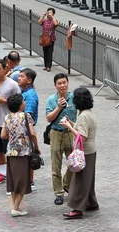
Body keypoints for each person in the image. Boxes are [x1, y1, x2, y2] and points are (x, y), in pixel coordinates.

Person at [59, 87, 98, 219]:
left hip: (84, 151)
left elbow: (82, 136)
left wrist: (68, 127)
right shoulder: (89, 113)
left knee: (79, 181)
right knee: (88, 179)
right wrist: (71, 122)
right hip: (91, 150)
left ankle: (77, 208)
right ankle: (91, 202)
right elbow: (82, 128)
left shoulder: (83, 116)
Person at [1, 93, 38, 217]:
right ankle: (16, 207)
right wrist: (36, 146)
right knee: (23, 180)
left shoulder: (7, 117)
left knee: (13, 180)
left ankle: (15, 206)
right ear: (20, 105)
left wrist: (12, 136)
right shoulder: (26, 116)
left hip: (11, 151)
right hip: (23, 152)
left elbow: (2, 135)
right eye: (23, 101)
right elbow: (32, 134)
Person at [45, 73, 77, 205]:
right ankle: (58, 193)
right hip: (56, 133)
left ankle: (67, 183)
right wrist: (58, 107)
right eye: (59, 83)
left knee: (74, 163)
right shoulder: (51, 100)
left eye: (64, 82)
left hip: (70, 132)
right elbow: (48, 118)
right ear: (55, 85)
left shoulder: (74, 98)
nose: (62, 85)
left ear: (68, 83)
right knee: (55, 165)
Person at [17, 68, 39, 191]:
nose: (19, 78)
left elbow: (28, 116)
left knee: (28, 157)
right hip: (23, 131)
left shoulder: (30, 96)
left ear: (29, 80)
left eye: (22, 76)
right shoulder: (24, 92)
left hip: (25, 132)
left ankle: (29, 182)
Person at [38, 7, 58, 72]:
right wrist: (43, 15)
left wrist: (52, 17)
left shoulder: (54, 20)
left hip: (51, 38)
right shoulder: (45, 21)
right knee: (45, 52)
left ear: (53, 14)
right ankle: (46, 65)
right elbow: (39, 22)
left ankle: (49, 66)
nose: (49, 14)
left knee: (50, 52)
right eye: (48, 12)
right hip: (44, 38)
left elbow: (56, 24)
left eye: (51, 12)